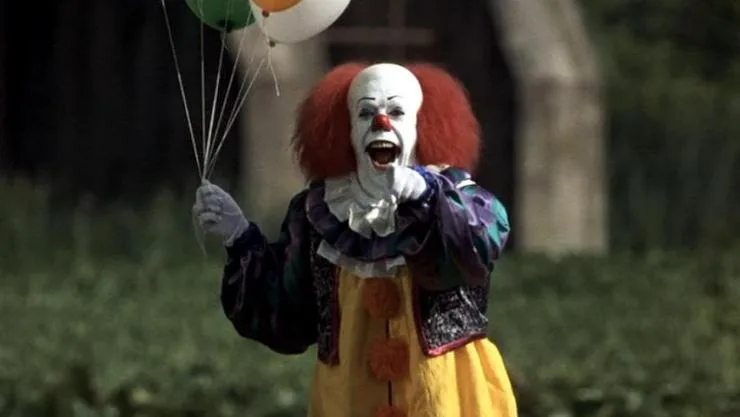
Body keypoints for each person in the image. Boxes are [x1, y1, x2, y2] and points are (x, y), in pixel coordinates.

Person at [193, 62, 517, 417]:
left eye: (397, 111)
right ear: (346, 130)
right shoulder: (317, 213)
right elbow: (288, 317)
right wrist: (240, 237)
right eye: (365, 113)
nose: (382, 122)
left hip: (446, 394)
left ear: (421, 125)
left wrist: (425, 196)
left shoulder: (459, 198)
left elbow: (476, 249)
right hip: (348, 399)